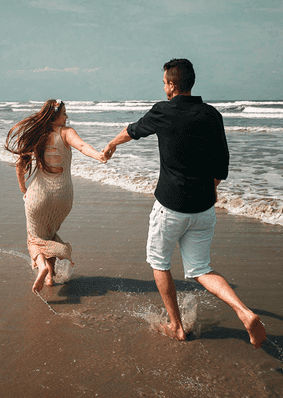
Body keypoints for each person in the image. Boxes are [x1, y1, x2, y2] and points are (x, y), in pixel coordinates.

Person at [102, 59, 266, 349]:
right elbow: (222, 165)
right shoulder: (212, 115)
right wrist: (209, 190)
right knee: (201, 269)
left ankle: (176, 326)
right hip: (204, 209)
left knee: (159, 263)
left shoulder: (163, 111)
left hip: (170, 208)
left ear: (172, 85)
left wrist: (112, 144)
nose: (163, 86)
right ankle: (244, 311)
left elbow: (133, 130)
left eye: (165, 81)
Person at [6, 99, 106, 293]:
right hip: (64, 196)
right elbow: (83, 146)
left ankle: (42, 267)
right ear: (54, 118)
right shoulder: (67, 133)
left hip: (39, 194)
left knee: (34, 237)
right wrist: (99, 156)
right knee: (49, 233)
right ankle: (50, 277)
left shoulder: (37, 136)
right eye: (64, 114)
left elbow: (20, 166)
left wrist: (23, 190)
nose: (67, 117)